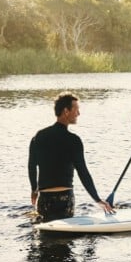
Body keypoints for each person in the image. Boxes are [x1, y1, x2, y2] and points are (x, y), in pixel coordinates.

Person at [28, 92, 115, 222]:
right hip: (65, 199)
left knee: (45, 238)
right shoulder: (74, 140)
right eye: (76, 109)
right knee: (66, 239)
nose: (78, 113)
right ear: (66, 111)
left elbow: (31, 166)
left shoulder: (39, 136)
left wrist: (34, 189)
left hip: (45, 199)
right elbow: (83, 172)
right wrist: (97, 199)